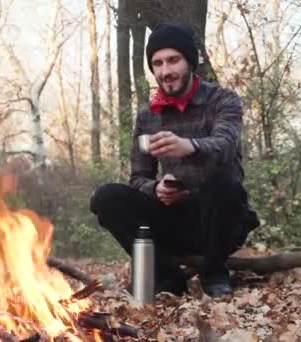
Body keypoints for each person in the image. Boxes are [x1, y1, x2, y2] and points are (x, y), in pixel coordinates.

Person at [90, 22, 260, 298]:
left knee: (224, 183)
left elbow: (226, 146)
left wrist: (188, 146)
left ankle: (214, 272)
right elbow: (139, 178)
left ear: (189, 62)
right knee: (106, 197)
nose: (166, 71)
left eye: (173, 60)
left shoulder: (223, 100)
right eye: (157, 63)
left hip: (219, 218)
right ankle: (165, 275)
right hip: (173, 219)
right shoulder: (148, 116)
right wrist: (156, 189)